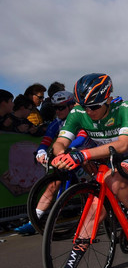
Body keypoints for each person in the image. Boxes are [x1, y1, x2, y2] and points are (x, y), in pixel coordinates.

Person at [43, 73, 128, 268]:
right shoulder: (78, 112)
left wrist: (84, 155)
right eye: (84, 107)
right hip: (107, 159)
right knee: (95, 207)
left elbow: (122, 146)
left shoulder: (124, 108)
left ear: (108, 99)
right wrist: (60, 155)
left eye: (94, 107)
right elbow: (60, 142)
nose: (89, 112)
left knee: (114, 175)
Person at [15, 91, 94, 235]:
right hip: (70, 156)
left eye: (61, 107)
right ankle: (34, 221)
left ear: (71, 107)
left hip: (89, 155)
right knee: (53, 185)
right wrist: (41, 151)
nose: (57, 111)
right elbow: (46, 140)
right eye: (55, 108)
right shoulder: (56, 123)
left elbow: (81, 139)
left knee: (94, 182)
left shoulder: (81, 118)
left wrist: (65, 148)